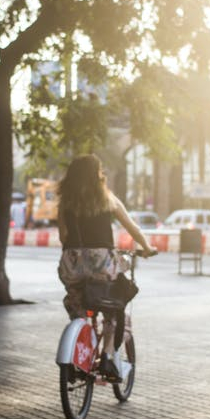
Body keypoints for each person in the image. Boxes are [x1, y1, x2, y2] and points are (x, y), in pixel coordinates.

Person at [57, 154, 156, 382]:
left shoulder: (66, 203)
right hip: (102, 263)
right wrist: (147, 247)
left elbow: (63, 236)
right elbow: (134, 229)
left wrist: (77, 256)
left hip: (71, 262)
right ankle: (109, 355)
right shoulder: (107, 199)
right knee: (114, 306)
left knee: (78, 304)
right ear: (97, 174)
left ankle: (79, 345)